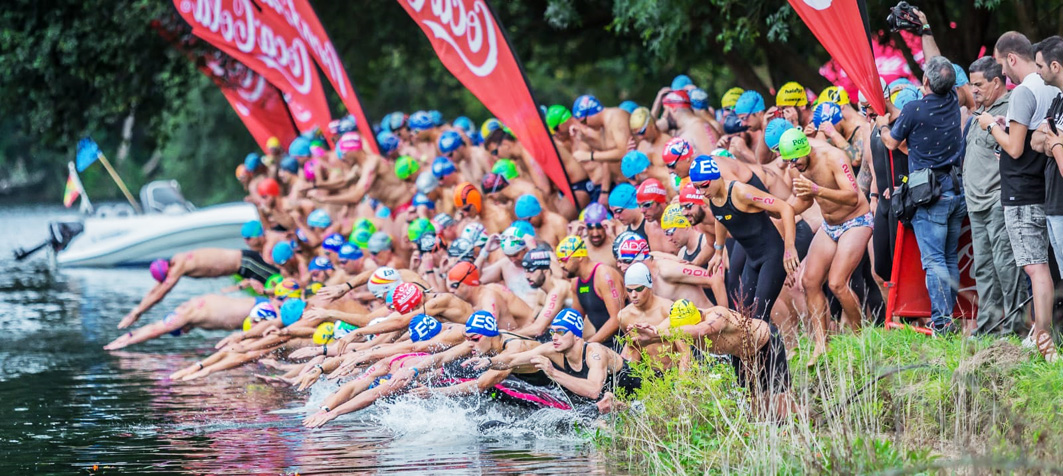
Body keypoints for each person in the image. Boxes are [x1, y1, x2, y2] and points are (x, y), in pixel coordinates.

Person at [878, 55, 967, 336]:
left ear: (925, 82)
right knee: (949, 258)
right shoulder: (953, 101)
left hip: (930, 197)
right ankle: (948, 319)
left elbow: (892, 141)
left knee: (934, 262)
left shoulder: (915, 109)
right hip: (956, 191)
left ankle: (941, 323)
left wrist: (881, 124)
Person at [982, 32, 1058, 360]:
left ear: (1012, 58)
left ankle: (1043, 336)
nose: (1002, 74)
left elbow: (1014, 148)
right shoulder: (1053, 88)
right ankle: (1042, 332)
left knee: (1035, 268)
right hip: (1043, 187)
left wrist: (990, 126)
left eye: (1001, 65)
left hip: (1022, 193)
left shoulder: (1024, 91)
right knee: (1044, 267)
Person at [779, 129, 872, 366]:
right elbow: (801, 201)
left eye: (795, 160)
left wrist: (817, 190)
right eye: (788, 161)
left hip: (856, 220)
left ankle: (862, 340)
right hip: (830, 225)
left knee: (837, 283)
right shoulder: (796, 166)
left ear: (806, 150)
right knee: (809, 282)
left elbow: (852, 196)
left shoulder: (833, 156)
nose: (793, 165)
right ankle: (822, 344)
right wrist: (786, 228)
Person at [629, 301, 795, 418]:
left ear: (698, 317)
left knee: (782, 401)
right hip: (741, 356)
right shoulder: (675, 322)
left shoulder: (717, 315)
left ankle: (805, 425)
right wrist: (648, 335)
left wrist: (658, 335)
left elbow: (700, 330)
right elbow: (656, 331)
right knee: (753, 404)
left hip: (766, 343)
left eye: (684, 328)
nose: (682, 333)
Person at [690, 154, 800, 323]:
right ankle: (769, 349)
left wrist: (789, 247)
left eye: (704, 185)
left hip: (772, 256)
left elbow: (785, 208)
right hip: (753, 259)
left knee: (759, 318)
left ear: (716, 177)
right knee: (744, 316)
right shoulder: (709, 196)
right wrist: (718, 252)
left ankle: (779, 348)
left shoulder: (741, 192)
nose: (701, 192)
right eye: (696, 187)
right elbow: (720, 217)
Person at [963, 56, 1029, 336]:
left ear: (997, 82)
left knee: (1006, 266)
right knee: (984, 269)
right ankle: (989, 325)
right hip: (975, 203)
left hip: (997, 201)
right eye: (971, 85)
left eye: (979, 85)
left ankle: (1013, 328)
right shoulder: (981, 112)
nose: (973, 90)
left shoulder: (1011, 107)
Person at [489, 309, 642, 414]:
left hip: (640, 394)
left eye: (561, 332)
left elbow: (594, 390)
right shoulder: (551, 349)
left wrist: (553, 372)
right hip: (608, 400)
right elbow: (512, 360)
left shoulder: (595, 353)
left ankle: (624, 408)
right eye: (552, 331)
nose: (554, 337)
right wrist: (489, 362)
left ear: (576, 335)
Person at [119, 245, 278, 328]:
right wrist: (136, 310)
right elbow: (157, 289)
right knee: (275, 291)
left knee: (281, 283)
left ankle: (298, 305)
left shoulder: (179, 264)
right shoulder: (174, 263)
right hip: (243, 268)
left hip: (246, 263)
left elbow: (161, 293)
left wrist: (137, 313)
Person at [105, 295, 262, 350]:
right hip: (258, 306)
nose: (186, 332)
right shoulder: (190, 307)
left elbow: (156, 330)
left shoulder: (185, 314)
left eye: (182, 331)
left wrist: (126, 341)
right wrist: (131, 334)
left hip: (261, 310)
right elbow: (157, 324)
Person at [556, 235, 626, 351]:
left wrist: (587, 344)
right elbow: (575, 319)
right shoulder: (576, 282)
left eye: (564, 260)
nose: (561, 265)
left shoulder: (603, 275)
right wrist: (558, 333)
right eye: (559, 261)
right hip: (601, 344)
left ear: (579, 257)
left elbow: (618, 318)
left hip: (623, 344)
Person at [616, 263, 685, 371]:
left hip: (673, 372)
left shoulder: (668, 310)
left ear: (649, 286)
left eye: (638, 289)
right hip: (649, 376)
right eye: (629, 290)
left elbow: (685, 352)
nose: (633, 295)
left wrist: (682, 384)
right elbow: (633, 349)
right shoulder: (624, 316)